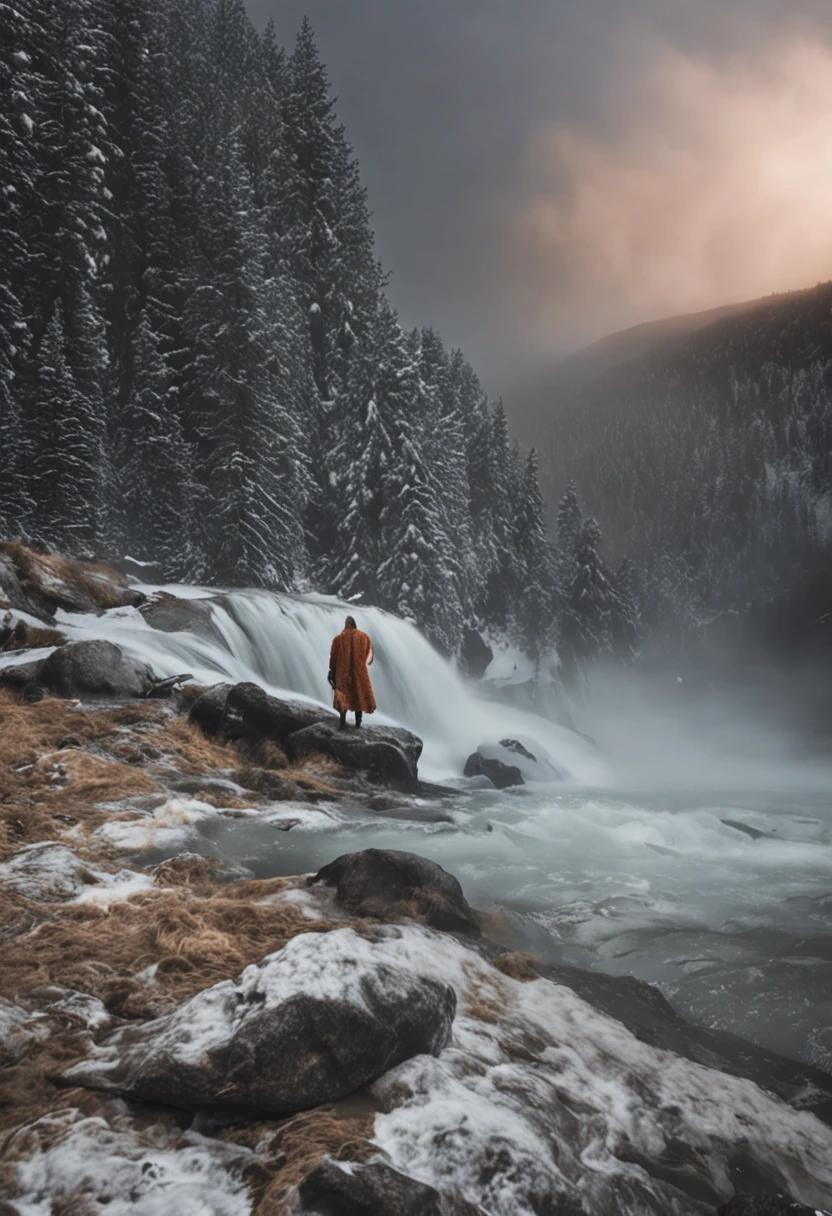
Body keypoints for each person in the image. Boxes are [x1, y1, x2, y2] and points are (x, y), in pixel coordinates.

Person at [328, 615, 376, 729]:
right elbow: (370, 656)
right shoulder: (364, 637)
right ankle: (358, 723)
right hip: (359, 673)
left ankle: (342, 722)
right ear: (355, 624)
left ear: (346, 625)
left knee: (342, 696)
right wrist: (365, 663)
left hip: (342, 673)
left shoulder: (337, 639)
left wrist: (331, 671)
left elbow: (333, 657)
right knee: (358, 695)